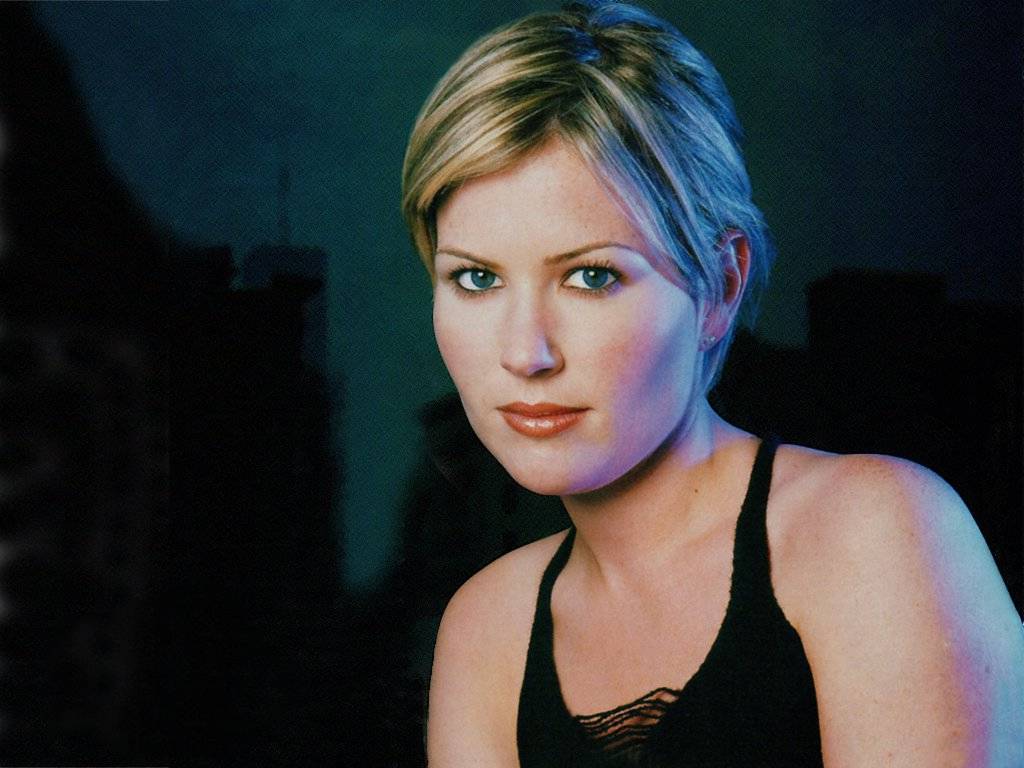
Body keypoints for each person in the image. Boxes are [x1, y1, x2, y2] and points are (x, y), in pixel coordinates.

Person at [400, 3, 1024, 766]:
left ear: (721, 286)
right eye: (476, 278)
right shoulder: (486, 629)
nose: (524, 352)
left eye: (591, 276)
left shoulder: (871, 535)